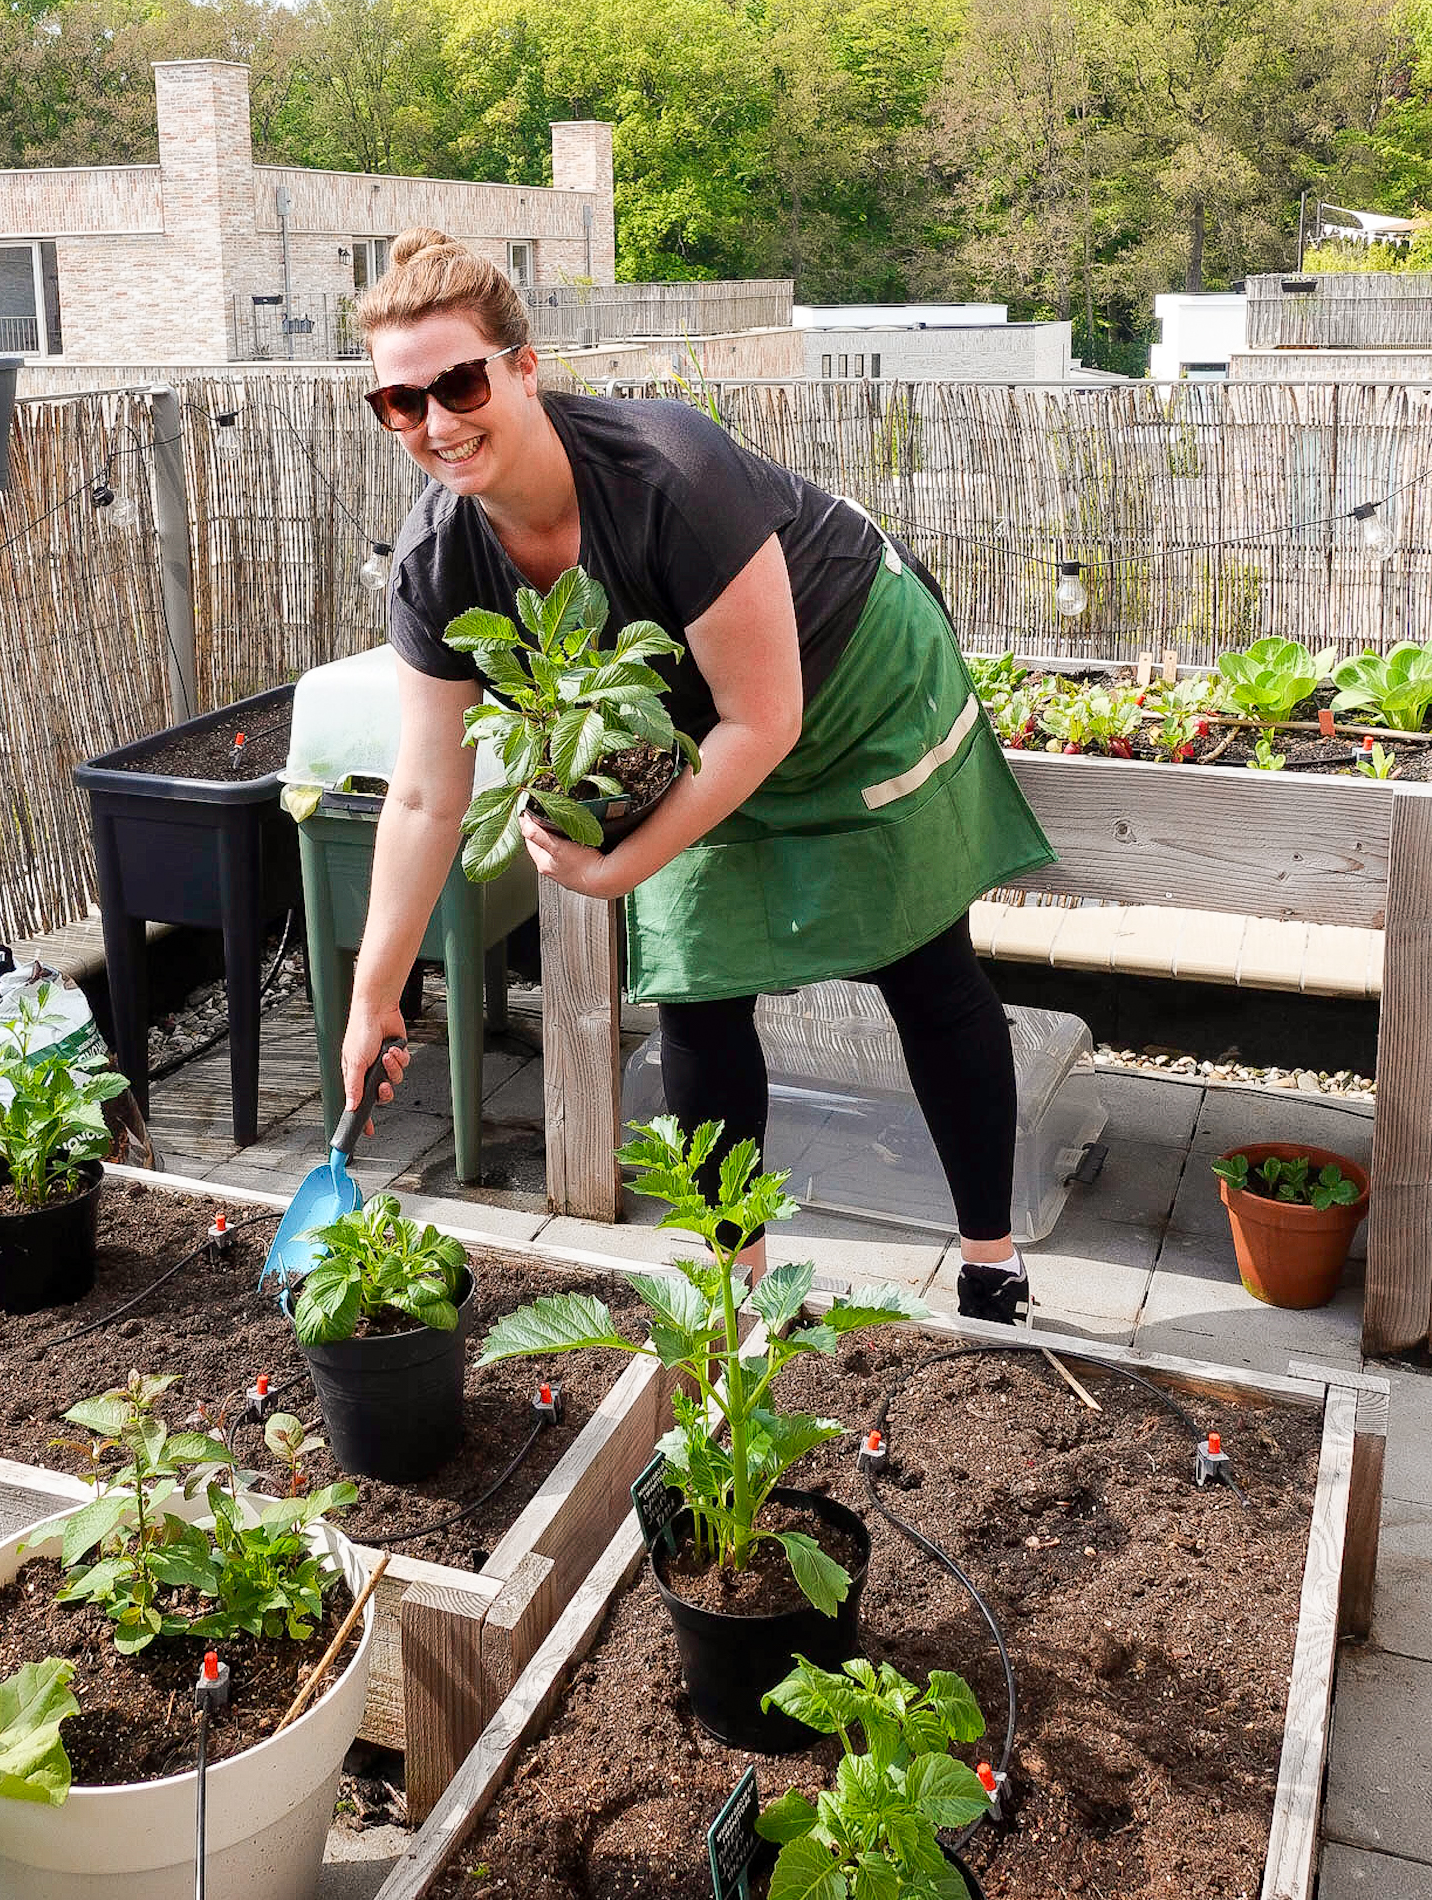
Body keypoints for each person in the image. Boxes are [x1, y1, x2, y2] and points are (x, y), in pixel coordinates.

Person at [336, 228, 1056, 1322]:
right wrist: (372, 995)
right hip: (696, 724)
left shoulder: (666, 470)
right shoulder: (438, 558)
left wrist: (621, 867)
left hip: (849, 674)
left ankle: (992, 1264)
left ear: (525, 369)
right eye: (401, 403)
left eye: (460, 382)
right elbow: (430, 792)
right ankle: (740, 1291)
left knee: (921, 966)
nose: (436, 422)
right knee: (698, 997)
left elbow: (764, 720)